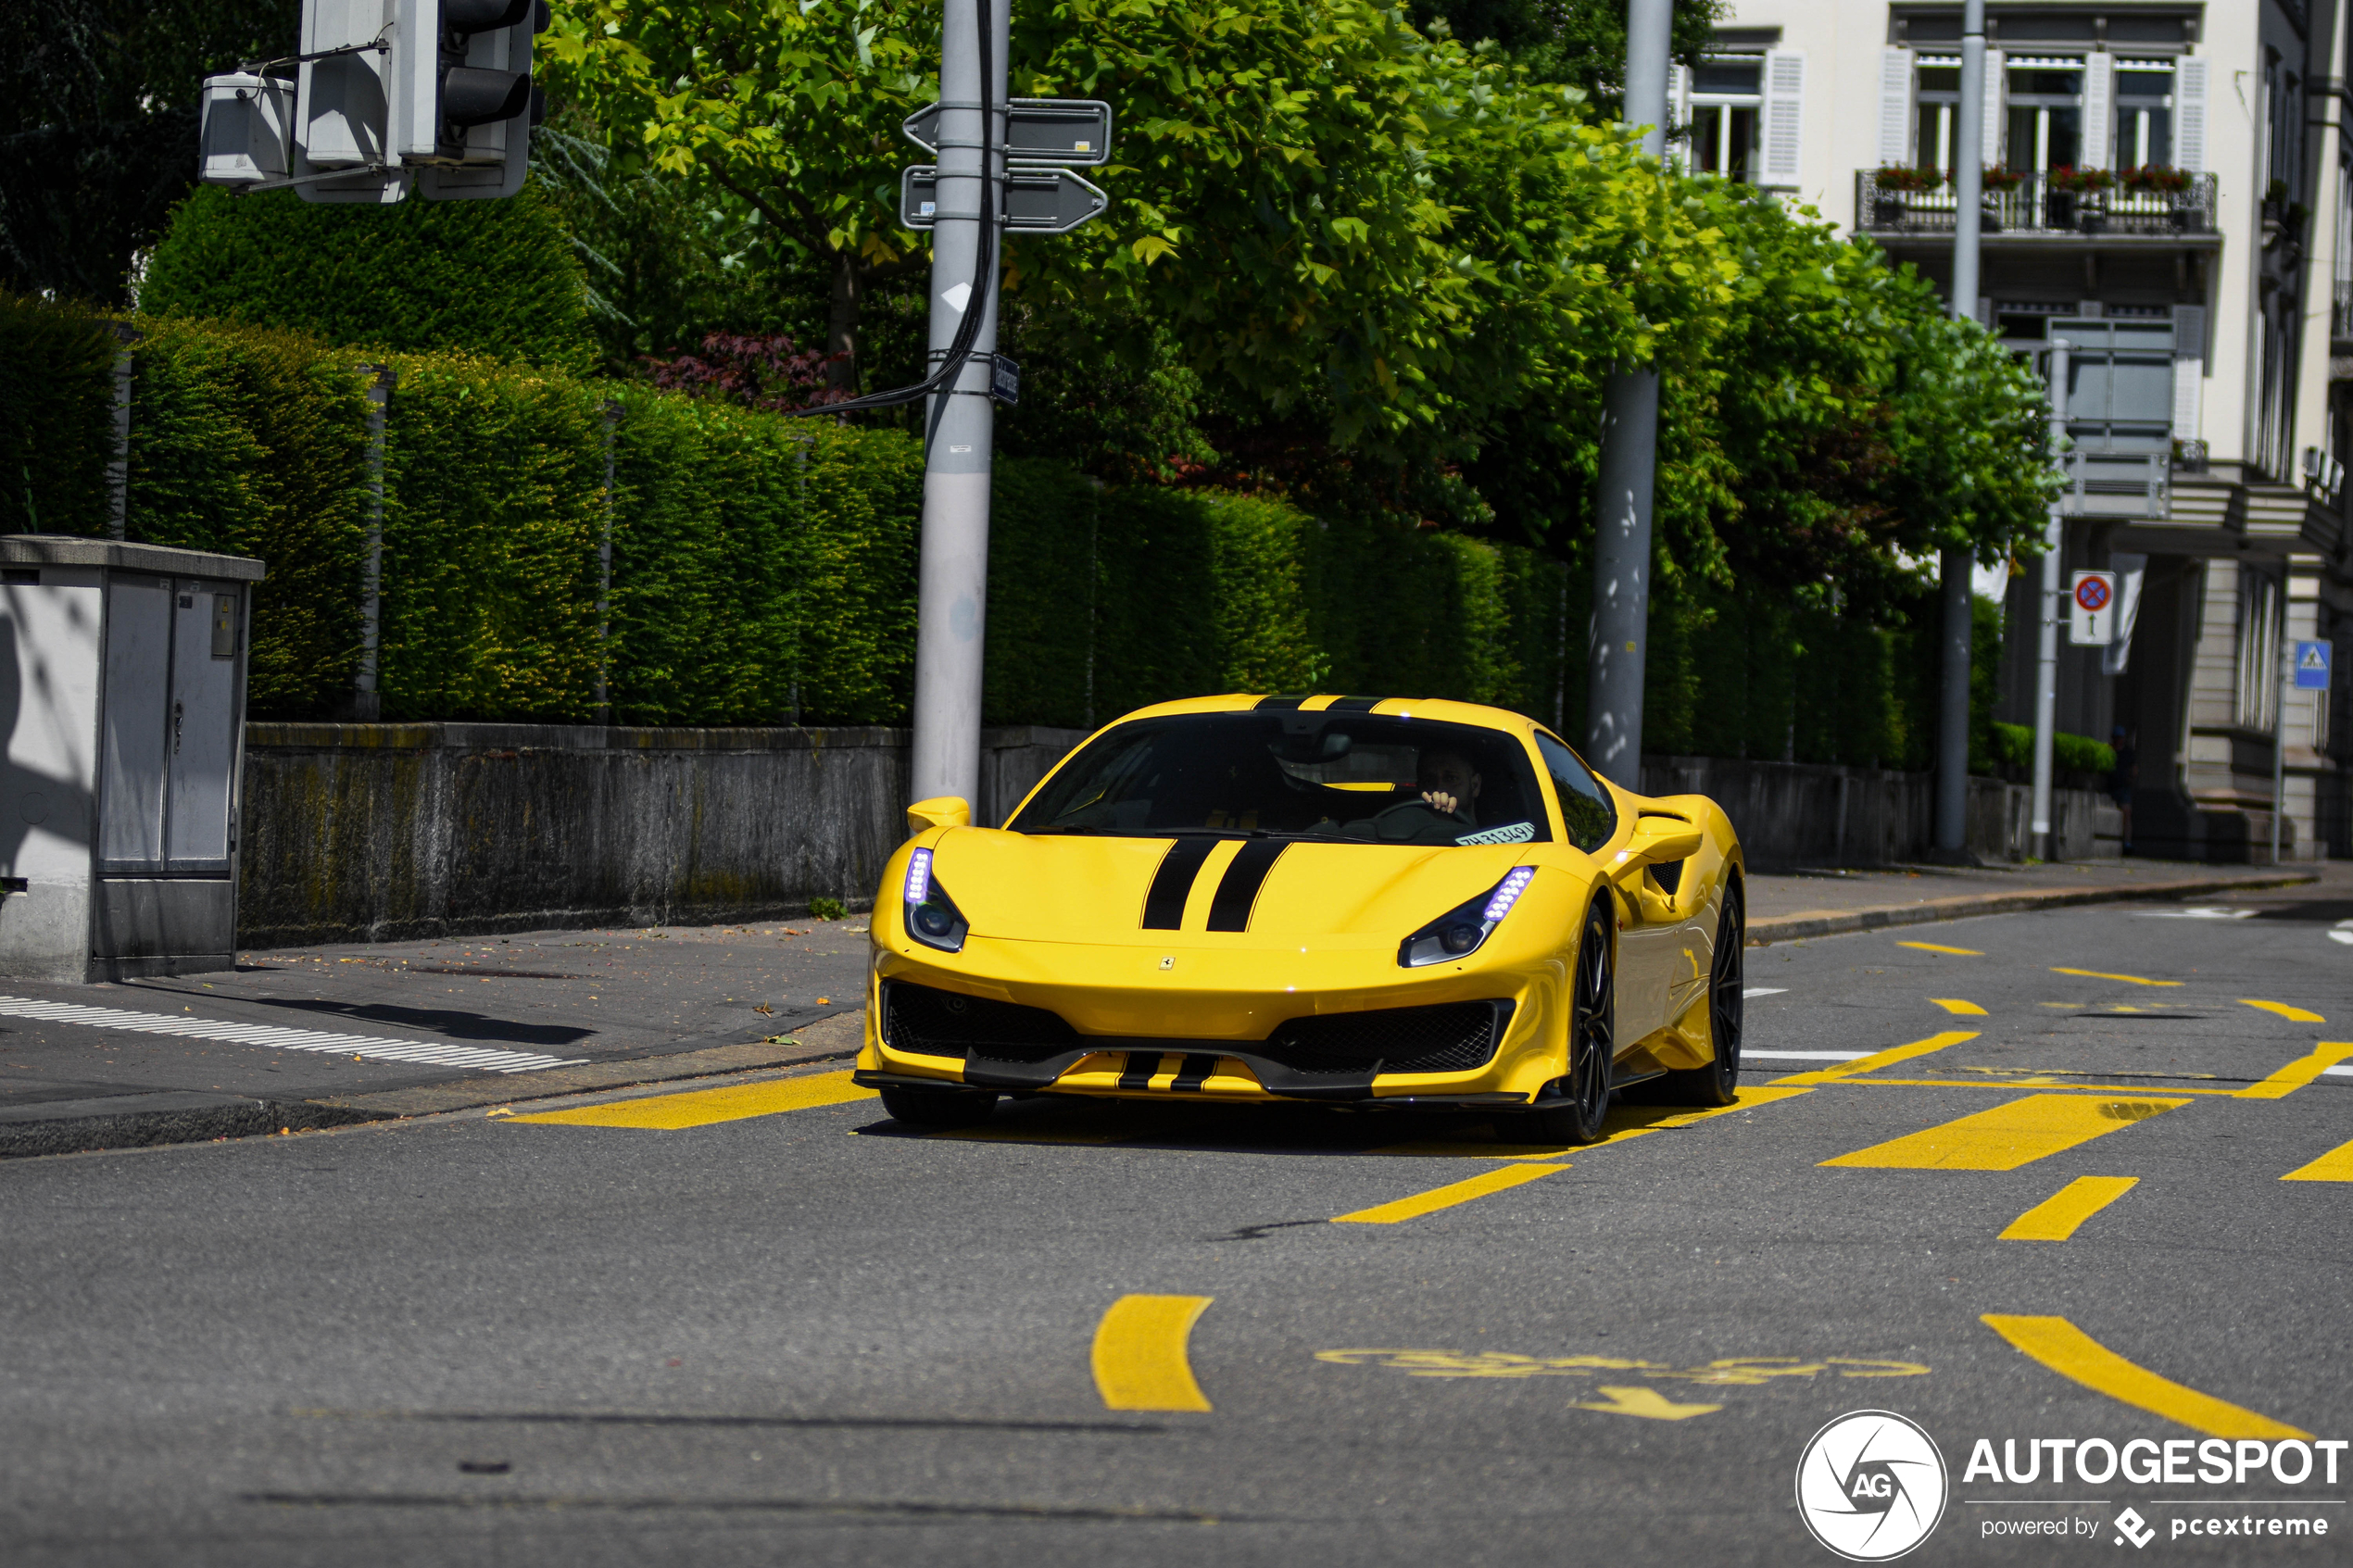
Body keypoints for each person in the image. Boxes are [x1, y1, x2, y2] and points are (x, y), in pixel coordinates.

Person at [1416, 747, 1483, 825]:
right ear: (1419, 788)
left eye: (1451, 779)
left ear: (1475, 786)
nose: (1438, 790)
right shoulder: (1407, 831)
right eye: (1428, 781)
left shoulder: (1495, 833)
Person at [2110, 725, 2136, 855]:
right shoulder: (2109, 750)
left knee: (2127, 813)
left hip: (2123, 787)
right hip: (2111, 786)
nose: (2119, 740)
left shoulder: (2128, 753)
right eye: (2117, 738)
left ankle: (2127, 842)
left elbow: (2134, 768)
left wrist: (2131, 778)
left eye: (2121, 738)